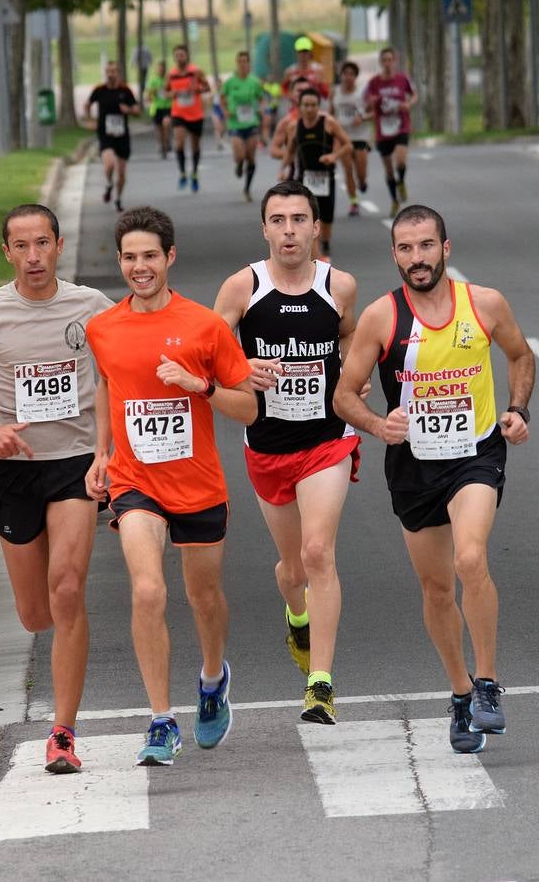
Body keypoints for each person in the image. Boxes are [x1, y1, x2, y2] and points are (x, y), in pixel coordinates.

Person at [333, 204, 535, 754]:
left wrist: (517, 409)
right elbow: (344, 396)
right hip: (414, 466)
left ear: (446, 249)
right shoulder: (381, 317)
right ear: (394, 254)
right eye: (405, 248)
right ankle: (461, 692)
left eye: (426, 246)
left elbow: (520, 356)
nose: (416, 258)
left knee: (470, 558)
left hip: (475, 456)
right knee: (437, 587)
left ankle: (488, 682)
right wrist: (380, 425)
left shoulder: (484, 304)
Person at [0, 205, 113, 774]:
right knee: (36, 614)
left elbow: (124, 365)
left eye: (43, 243)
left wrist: (114, 453)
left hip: (75, 465)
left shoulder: (92, 308)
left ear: (59, 245)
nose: (34, 256)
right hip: (12, 471)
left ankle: (62, 732)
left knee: (67, 589)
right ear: (7, 252)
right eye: (22, 246)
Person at [85, 207, 257, 766]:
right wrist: (101, 453)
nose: (140, 267)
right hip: (136, 483)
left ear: (170, 258)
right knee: (148, 591)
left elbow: (248, 409)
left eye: (150, 256)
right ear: (120, 262)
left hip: (199, 484)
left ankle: (212, 678)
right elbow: (108, 390)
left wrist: (199, 385)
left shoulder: (205, 326)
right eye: (130, 257)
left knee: (203, 597)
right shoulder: (103, 328)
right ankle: (161, 720)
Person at [214, 181, 360, 724]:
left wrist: (353, 375)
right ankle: (296, 616)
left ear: (316, 228)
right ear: (265, 229)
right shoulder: (241, 287)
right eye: (278, 220)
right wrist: (240, 369)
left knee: (319, 553)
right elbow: (212, 345)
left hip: (327, 440)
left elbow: (348, 338)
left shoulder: (339, 284)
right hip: (268, 446)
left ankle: (320, 684)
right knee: (293, 566)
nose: (289, 230)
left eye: (300, 219)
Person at [284, 88, 353, 261]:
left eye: (313, 105)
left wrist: (333, 156)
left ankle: (325, 244)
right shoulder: (294, 126)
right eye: (306, 105)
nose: (309, 109)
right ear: (299, 106)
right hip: (304, 180)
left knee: (326, 217)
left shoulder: (328, 123)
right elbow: (290, 151)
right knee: (307, 215)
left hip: (325, 178)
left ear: (318, 106)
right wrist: (283, 168)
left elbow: (348, 145)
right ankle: (314, 253)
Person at [363, 47, 418, 218]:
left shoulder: (402, 79)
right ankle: (394, 200)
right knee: (388, 170)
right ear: (380, 62)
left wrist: (408, 104)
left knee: (400, 160)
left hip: (401, 125)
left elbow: (414, 94)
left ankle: (401, 181)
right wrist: (371, 102)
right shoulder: (374, 83)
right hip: (382, 130)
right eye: (384, 60)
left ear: (395, 61)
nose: (387, 63)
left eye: (390, 60)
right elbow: (366, 104)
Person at [84, 61, 141, 213]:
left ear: (118, 73)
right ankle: (109, 184)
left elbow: (137, 111)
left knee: (121, 173)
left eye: (113, 71)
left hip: (122, 136)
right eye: (108, 71)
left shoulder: (125, 90)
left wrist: (128, 109)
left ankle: (118, 199)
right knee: (109, 165)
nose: (110, 74)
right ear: (105, 73)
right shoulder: (99, 89)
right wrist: (90, 120)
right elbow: (87, 104)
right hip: (105, 134)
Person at [221, 52, 267, 202]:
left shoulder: (254, 81)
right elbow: (221, 97)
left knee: (251, 158)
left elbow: (262, 99)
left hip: (251, 122)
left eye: (245, 61)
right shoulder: (230, 82)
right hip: (235, 123)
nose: (243, 64)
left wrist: (261, 108)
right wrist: (226, 111)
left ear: (249, 64)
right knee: (240, 155)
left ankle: (247, 189)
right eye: (240, 61)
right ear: (236, 63)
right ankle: (239, 164)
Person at [165, 44, 211, 192]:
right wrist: (171, 94)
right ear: (174, 58)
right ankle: (183, 172)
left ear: (187, 56)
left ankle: (195, 173)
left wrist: (197, 89)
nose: (180, 58)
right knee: (179, 143)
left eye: (182, 55)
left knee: (195, 146)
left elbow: (207, 88)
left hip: (196, 114)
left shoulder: (196, 72)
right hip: (178, 113)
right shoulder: (170, 74)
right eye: (177, 55)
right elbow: (165, 92)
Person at [330, 61, 371, 217]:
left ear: (355, 77)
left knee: (360, 172)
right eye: (345, 74)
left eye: (351, 74)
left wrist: (362, 117)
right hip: (342, 136)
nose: (348, 77)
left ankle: (362, 182)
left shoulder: (362, 93)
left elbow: (373, 113)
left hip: (360, 136)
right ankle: (354, 202)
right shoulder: (335, 92)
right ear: (341, 76)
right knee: (347, 169)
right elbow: (331, 113)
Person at [281, 36, 329, 105]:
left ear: (310, 52)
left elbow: (326, 94)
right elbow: (283, 90)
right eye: (300, 52)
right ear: (296, 53)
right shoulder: (290, 72)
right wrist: (291, 96)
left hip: (312, 108)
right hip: (295, 107)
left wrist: (320, 84)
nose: (303, 55)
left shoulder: (318, 70)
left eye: (305, 51)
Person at [145, 60, 172, 158]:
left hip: (168, 107)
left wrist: (170, 94)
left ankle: (167, 141)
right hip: (156, 108)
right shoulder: (152, 81)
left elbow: (173, 91)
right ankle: (162, 146)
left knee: (167, 124)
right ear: (156, 69)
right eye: (159, 68)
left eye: (163, 69)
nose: (161, 70)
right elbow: (147, 96)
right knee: (159, 130)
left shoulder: (168, 79)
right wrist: (153, 93)